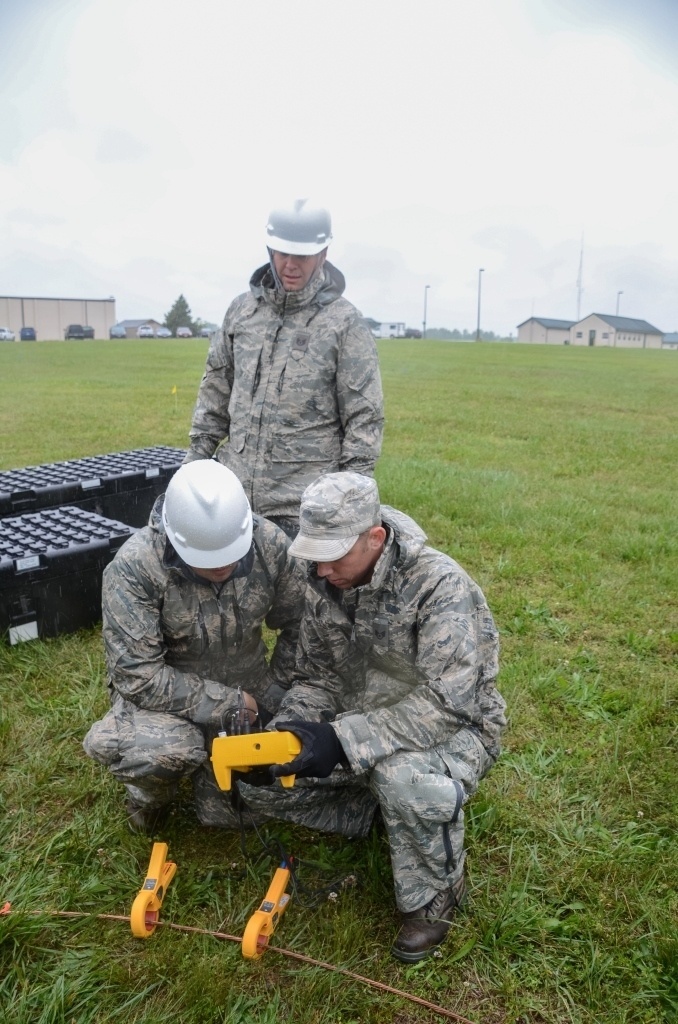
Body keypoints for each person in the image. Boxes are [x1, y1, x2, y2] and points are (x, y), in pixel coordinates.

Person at [242, 471, 506, 962]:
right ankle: (381, 814)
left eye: (334, 554)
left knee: (399, 776)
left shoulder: (439, 586)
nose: (321, 571)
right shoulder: (325, 582)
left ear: (375, 538)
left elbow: (447, 703)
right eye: (315, 555)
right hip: (363, 721)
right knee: (261, 782)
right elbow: (318, 677)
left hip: (458, 728)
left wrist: (340, 741)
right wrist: (293, 735)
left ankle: (435, 892)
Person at [82, 459, 305, 834]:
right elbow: (138, 676)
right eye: (209, 562)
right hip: (168, 701)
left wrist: (277, 692)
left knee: (235, 812)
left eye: (231, 558)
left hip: (252, 683)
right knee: (164, 752)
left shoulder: (269, 544)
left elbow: (301, 624)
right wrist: (232, 704)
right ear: (174, 538)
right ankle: (148, 796)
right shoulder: (134, 568)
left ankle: (220, 769)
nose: (223, 569)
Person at [184, 198, 384, 537]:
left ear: (323, 254)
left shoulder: (344, 323)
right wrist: (193, 465)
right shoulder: (242, 313)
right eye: (282, 253)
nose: (290, 265)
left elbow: (364, 419)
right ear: (269, 250)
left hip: (304, 508)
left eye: (303, 256)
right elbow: (215, 393)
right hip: (235, 499)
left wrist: (347, 500)